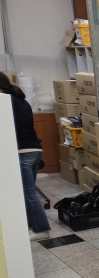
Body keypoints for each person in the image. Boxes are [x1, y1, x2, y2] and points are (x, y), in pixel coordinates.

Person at [1, 72, 51, 240]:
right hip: (35, 150)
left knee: (27, 192)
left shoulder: (4, 102)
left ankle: (41, 229)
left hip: (22, 152)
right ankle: (31, 226)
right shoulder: (22, 101)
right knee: (27, 191)